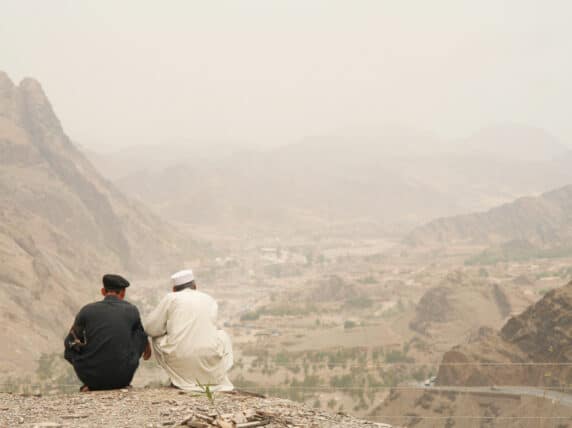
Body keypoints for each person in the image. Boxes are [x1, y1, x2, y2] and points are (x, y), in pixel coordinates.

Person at [144, 269, 233, 391]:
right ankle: (212, 378)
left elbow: (150, 328)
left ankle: (177, 378)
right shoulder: (209, 299)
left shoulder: (171, 298)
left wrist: (168, 330)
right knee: (223, 336)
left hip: (179, 357)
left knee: (156, 338)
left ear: (174, 289)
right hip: (208, 357)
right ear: (195, 286)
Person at [64, 274, 151, 391]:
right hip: (122, 378)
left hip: (91, 379)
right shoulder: (132, 310)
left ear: (103, 291)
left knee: (72, 342)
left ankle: (90, 381)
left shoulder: (87, 310)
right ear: (123, 292)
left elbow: (69, 342)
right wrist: (145, 345)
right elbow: (141, 337)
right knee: (139, 333)